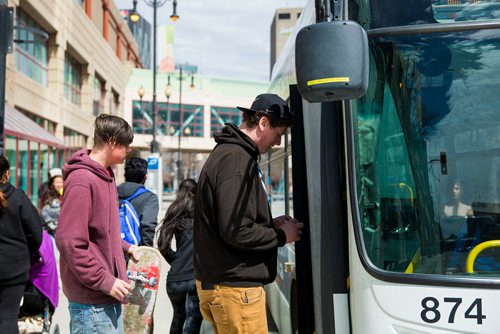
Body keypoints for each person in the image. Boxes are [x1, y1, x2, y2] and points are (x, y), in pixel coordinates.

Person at [193, 93, 304, 333]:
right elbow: (237, 230)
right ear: (263, 123)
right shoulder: (236, 160)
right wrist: (282, 237)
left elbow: (232, 221)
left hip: (226, 287)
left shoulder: (231, 155)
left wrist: (270, 225)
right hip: (235, 291)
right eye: (278, 135)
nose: (277, 143)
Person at [55, 114, 138, 334]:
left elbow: (102, 232)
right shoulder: (83, 179)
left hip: (106, 297)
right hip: (92, 303)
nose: (128, 150)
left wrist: (127, 248)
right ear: (112, 142)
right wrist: (104, 280)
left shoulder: (106, 176)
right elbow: (69, 241)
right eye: (126, 144)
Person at [0, 155, 43, 333]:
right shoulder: (18, 198)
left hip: (14, 266)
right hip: (13, 268)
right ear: (7, 174)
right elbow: (36, 234)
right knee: (8, 318)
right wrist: (27, 253)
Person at [158, 178, 202, 334]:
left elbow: (162, 244)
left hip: (175, 279)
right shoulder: (203, 212)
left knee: (178, 317)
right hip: (196, 277)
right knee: (194, 317)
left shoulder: (175, 210)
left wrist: (176, 260)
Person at [117, 157, 159, 247]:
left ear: (125, 176)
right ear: (145, 177)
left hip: (111, 249)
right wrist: (146, 251)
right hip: (135, 252)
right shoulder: (149, 198)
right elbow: (147, 225)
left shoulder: (111, 192)